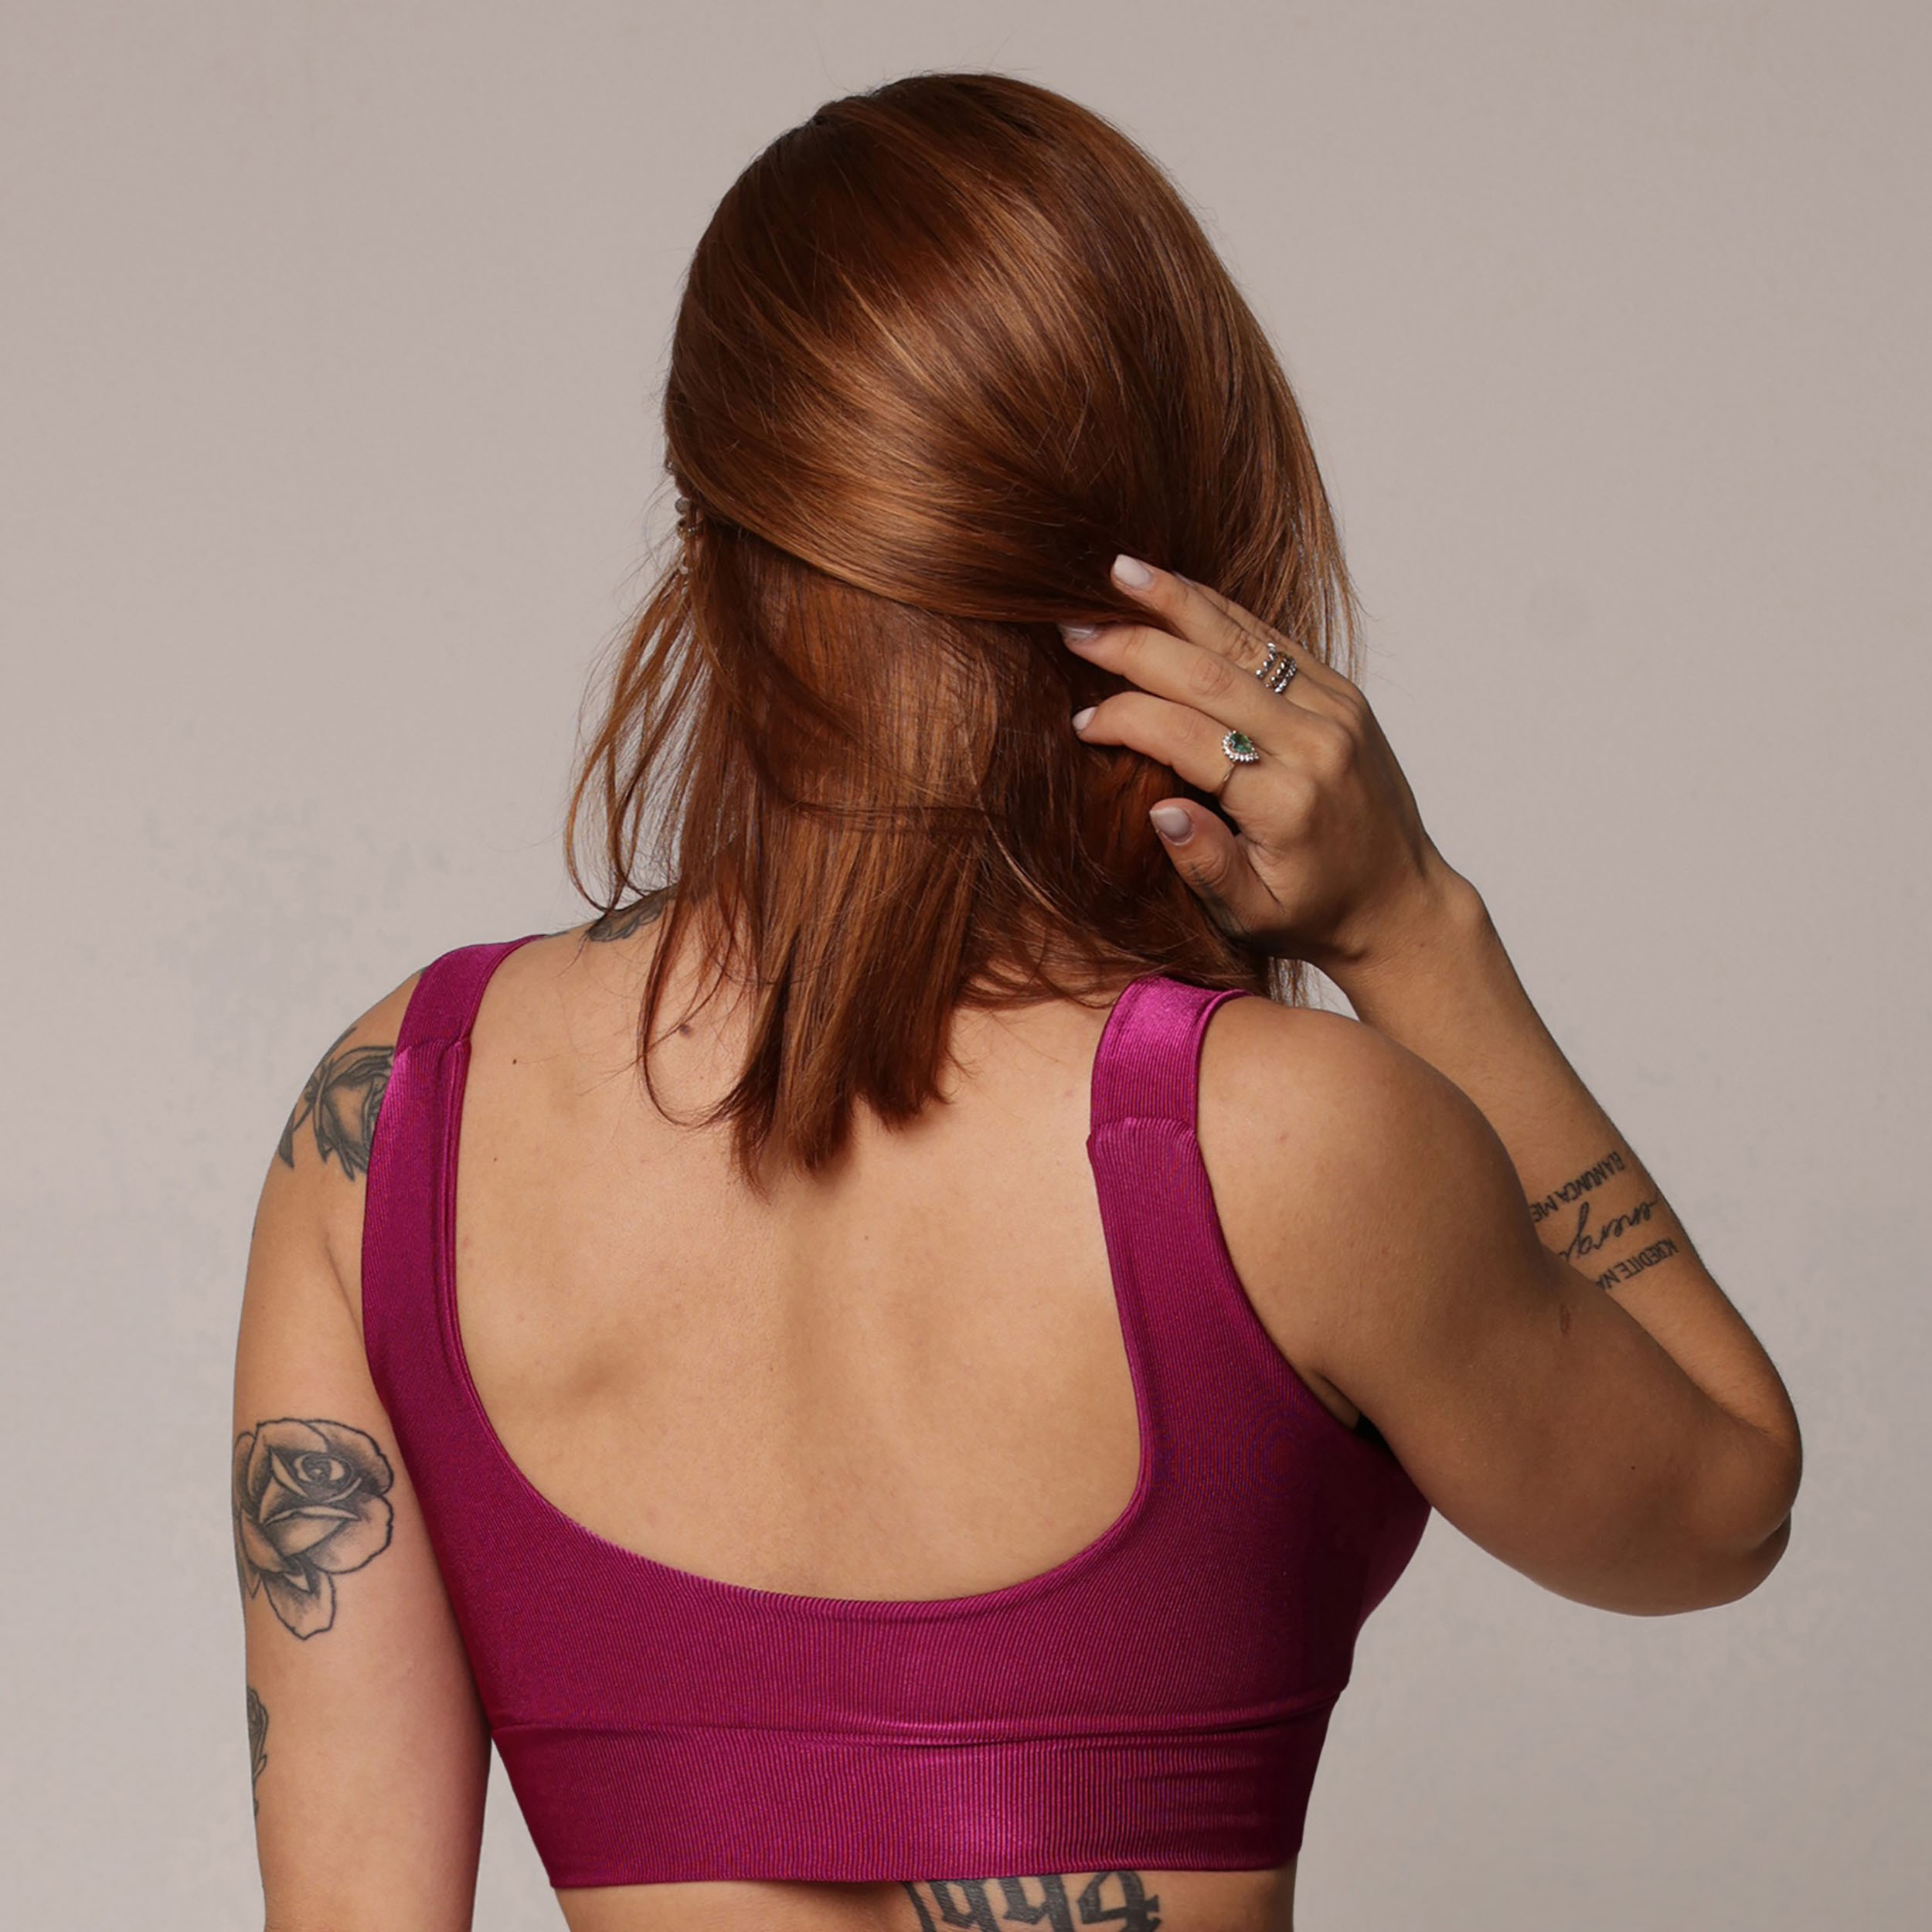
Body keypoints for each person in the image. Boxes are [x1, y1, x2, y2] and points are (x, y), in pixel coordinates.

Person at [231, 72, 1801, 1932]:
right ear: (1184, 567)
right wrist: (1407, 924)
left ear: (712, 536)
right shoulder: (1283, 1140)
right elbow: (1719, 1504)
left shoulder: (398, 1124)